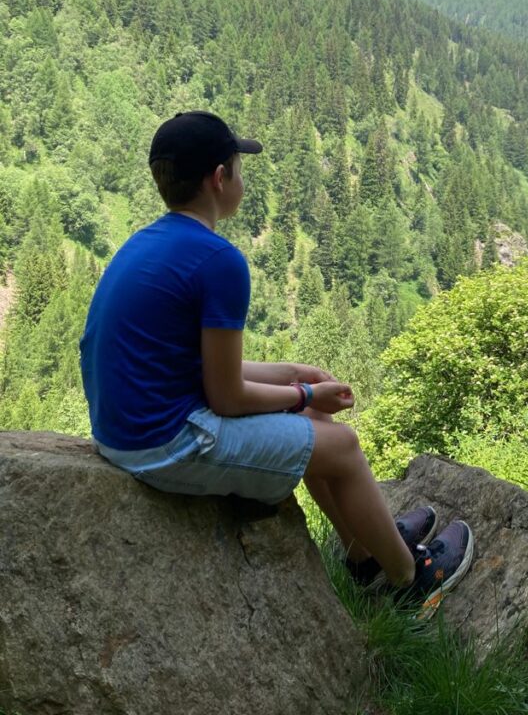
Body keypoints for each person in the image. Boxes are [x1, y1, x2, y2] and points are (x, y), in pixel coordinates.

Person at [80, 110, 473, 616]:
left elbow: (203, 368)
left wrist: (291, 374)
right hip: (165, 445)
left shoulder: (148, 242)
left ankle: (363, 551)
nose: (241, 177)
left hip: (129, 430)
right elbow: (226, 396)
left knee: (310, 420)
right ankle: (409, 579)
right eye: (238, 167)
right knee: (344, 444)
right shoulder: (219, 261)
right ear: (219, 179)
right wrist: (306, 394)